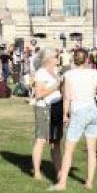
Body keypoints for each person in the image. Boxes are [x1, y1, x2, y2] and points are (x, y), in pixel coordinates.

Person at [49, 48, 97, 191]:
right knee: (91, 149)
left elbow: (67, 96)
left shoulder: (69, 75)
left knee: (69, 149)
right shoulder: (95, 73)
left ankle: (62, 183)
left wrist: (65, 114)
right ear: (87, 59)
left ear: (73, 59)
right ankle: (89, 182)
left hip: (79, 111)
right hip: (93, 110)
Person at [30, 49, 63, 181]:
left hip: (56, 107)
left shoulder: (55, 72)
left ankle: (60, 172)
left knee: (56, 142)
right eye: (56, 56)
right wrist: (55, 87)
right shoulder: (41, 73)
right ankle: (37, 172)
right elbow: (38, 95)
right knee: (41, 140)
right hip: (44, 108)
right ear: (49, 59)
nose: (58, 58)